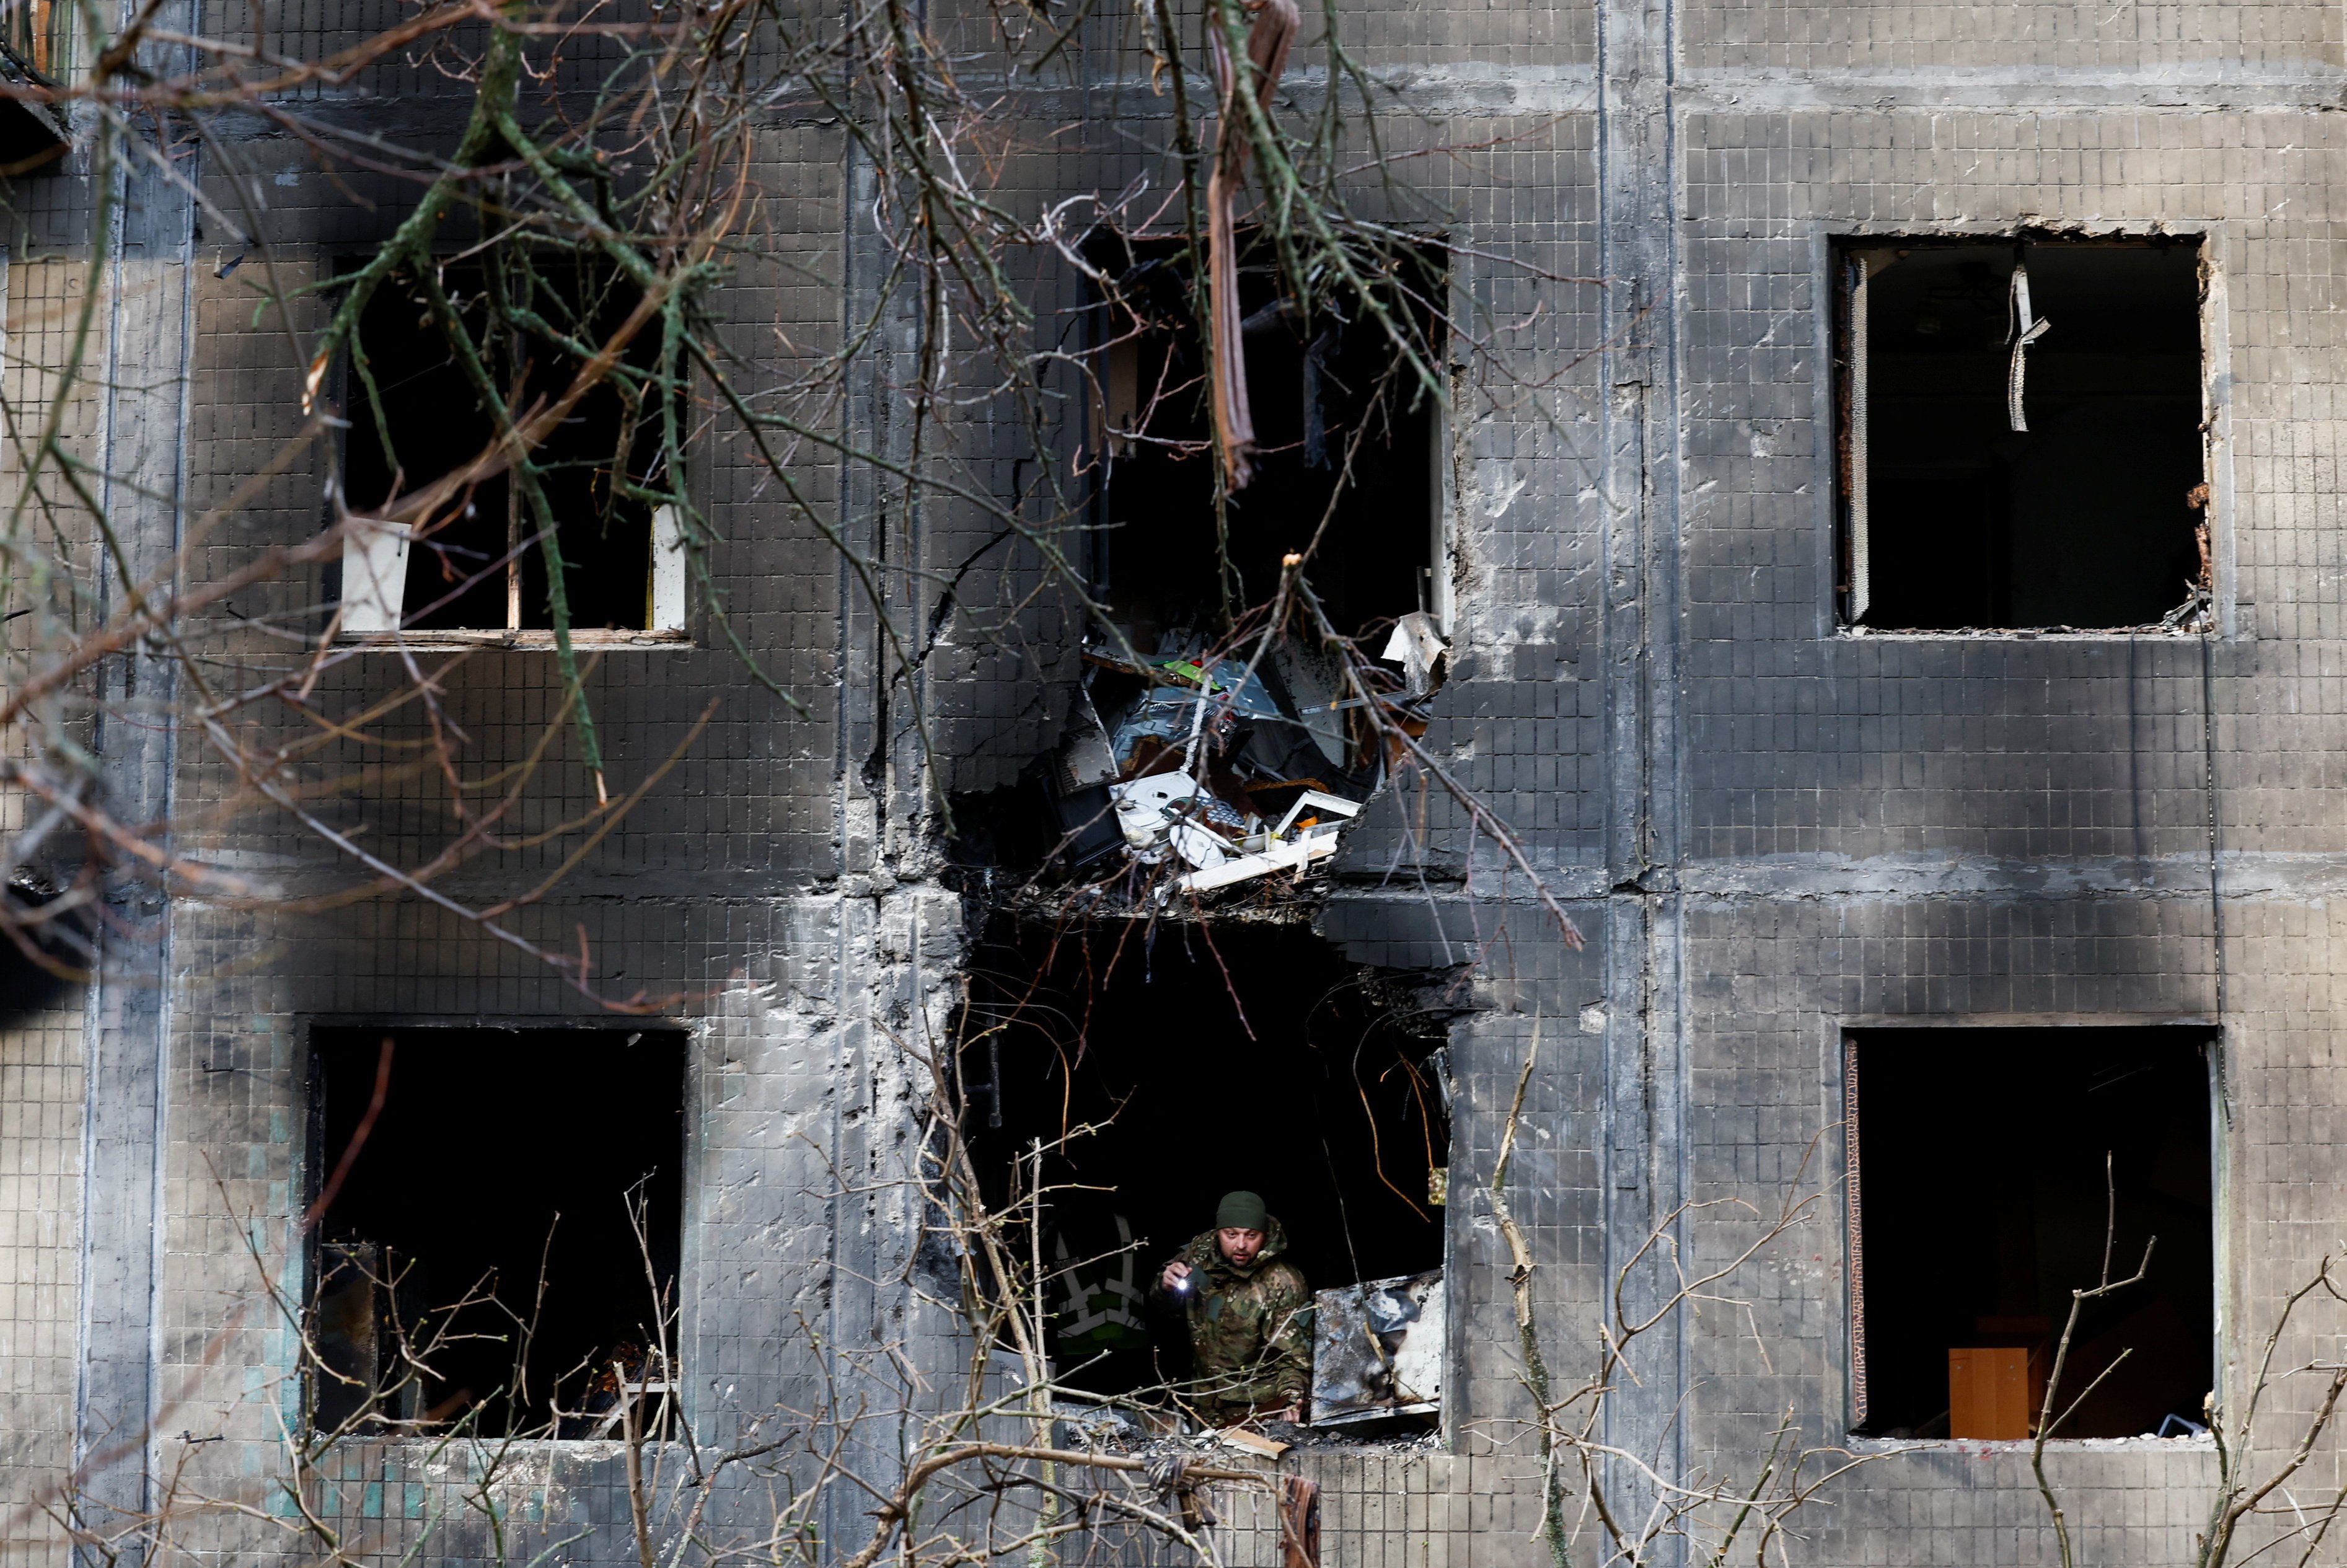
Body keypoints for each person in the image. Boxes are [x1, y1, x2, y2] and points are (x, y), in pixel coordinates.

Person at [1153, 1189, 1312, 1426]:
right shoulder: (1197, 1256)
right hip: (1203, 1403)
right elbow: (1164, 1311)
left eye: (1251, 1235)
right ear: (1218, 1233)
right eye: (1231, 1234)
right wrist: (1164, 1287)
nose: (1241, 1245)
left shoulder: (1283, 1282)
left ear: (1264, 1234)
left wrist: (1291, 1400)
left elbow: (1293, 1359)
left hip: (1257, 1410)